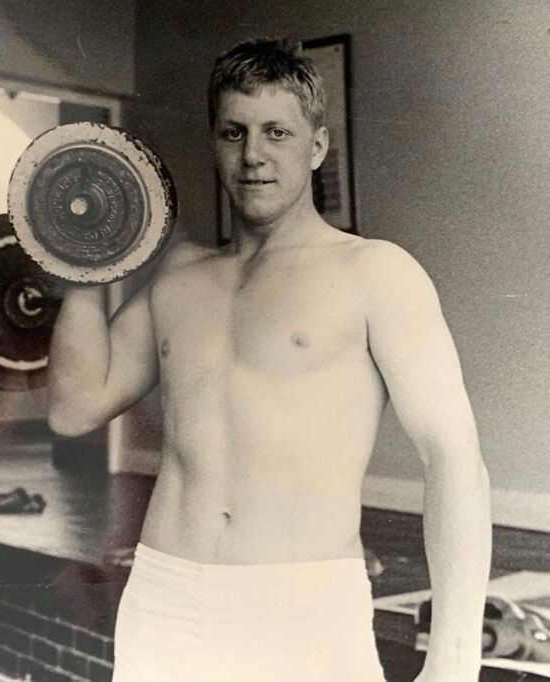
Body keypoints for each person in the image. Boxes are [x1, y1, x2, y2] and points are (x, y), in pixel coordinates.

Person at [48, 39, 491, 682]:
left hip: (300, 608)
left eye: (276, 132)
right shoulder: (179, 278)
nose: (253, 154)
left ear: (316, 148)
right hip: (164, 596)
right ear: (216, 144)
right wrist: (81, 260)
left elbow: (454, 458)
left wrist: (454, 658)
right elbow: (73, 406)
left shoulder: (376, 273)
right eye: (234, 132)